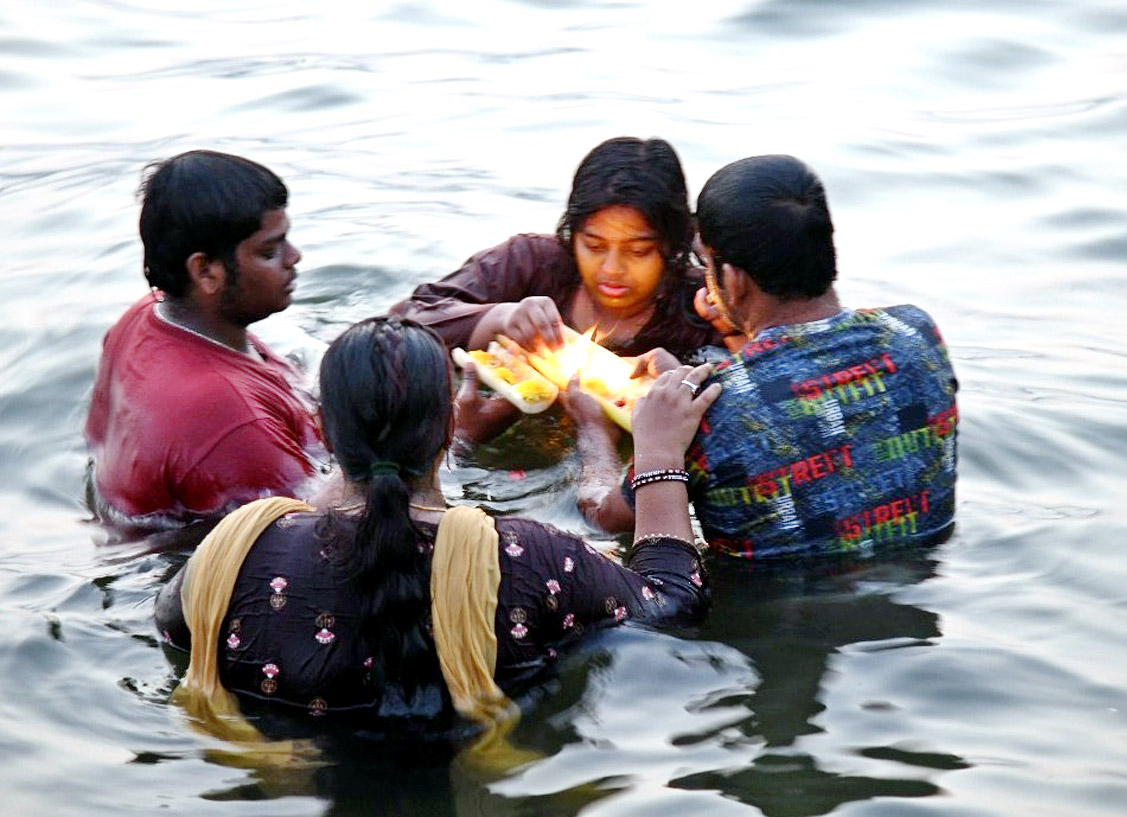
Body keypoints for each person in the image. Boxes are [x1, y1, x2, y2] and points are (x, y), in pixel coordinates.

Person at [153, 316, 718, 727]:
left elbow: (176, 626)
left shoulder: (238, 552)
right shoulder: (524, 558)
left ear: (324, 431)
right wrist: (660, 453)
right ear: (448, 426)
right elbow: (672, 603)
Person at [573, 155, 959, 561]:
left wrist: (593, 427)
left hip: (779, 611)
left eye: (706, 264)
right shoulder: (916, 334)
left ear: (733, 280)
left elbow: (603, 514)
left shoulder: (713, 408)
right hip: (919, 584)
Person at [85, 150, 325, 533]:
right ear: (205, 271)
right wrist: (456, 441)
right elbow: (324, 531)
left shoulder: (146, 315)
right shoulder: (230, 419)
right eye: (269, 250)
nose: (294, 257)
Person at [390, 136, 725, 361]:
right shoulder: (532, 263)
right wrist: (498, 319)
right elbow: (404, 322)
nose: (611, 269)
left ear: (671, 247)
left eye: (637, 252)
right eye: (593, 246)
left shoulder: (704, 308)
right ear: (572, 234)